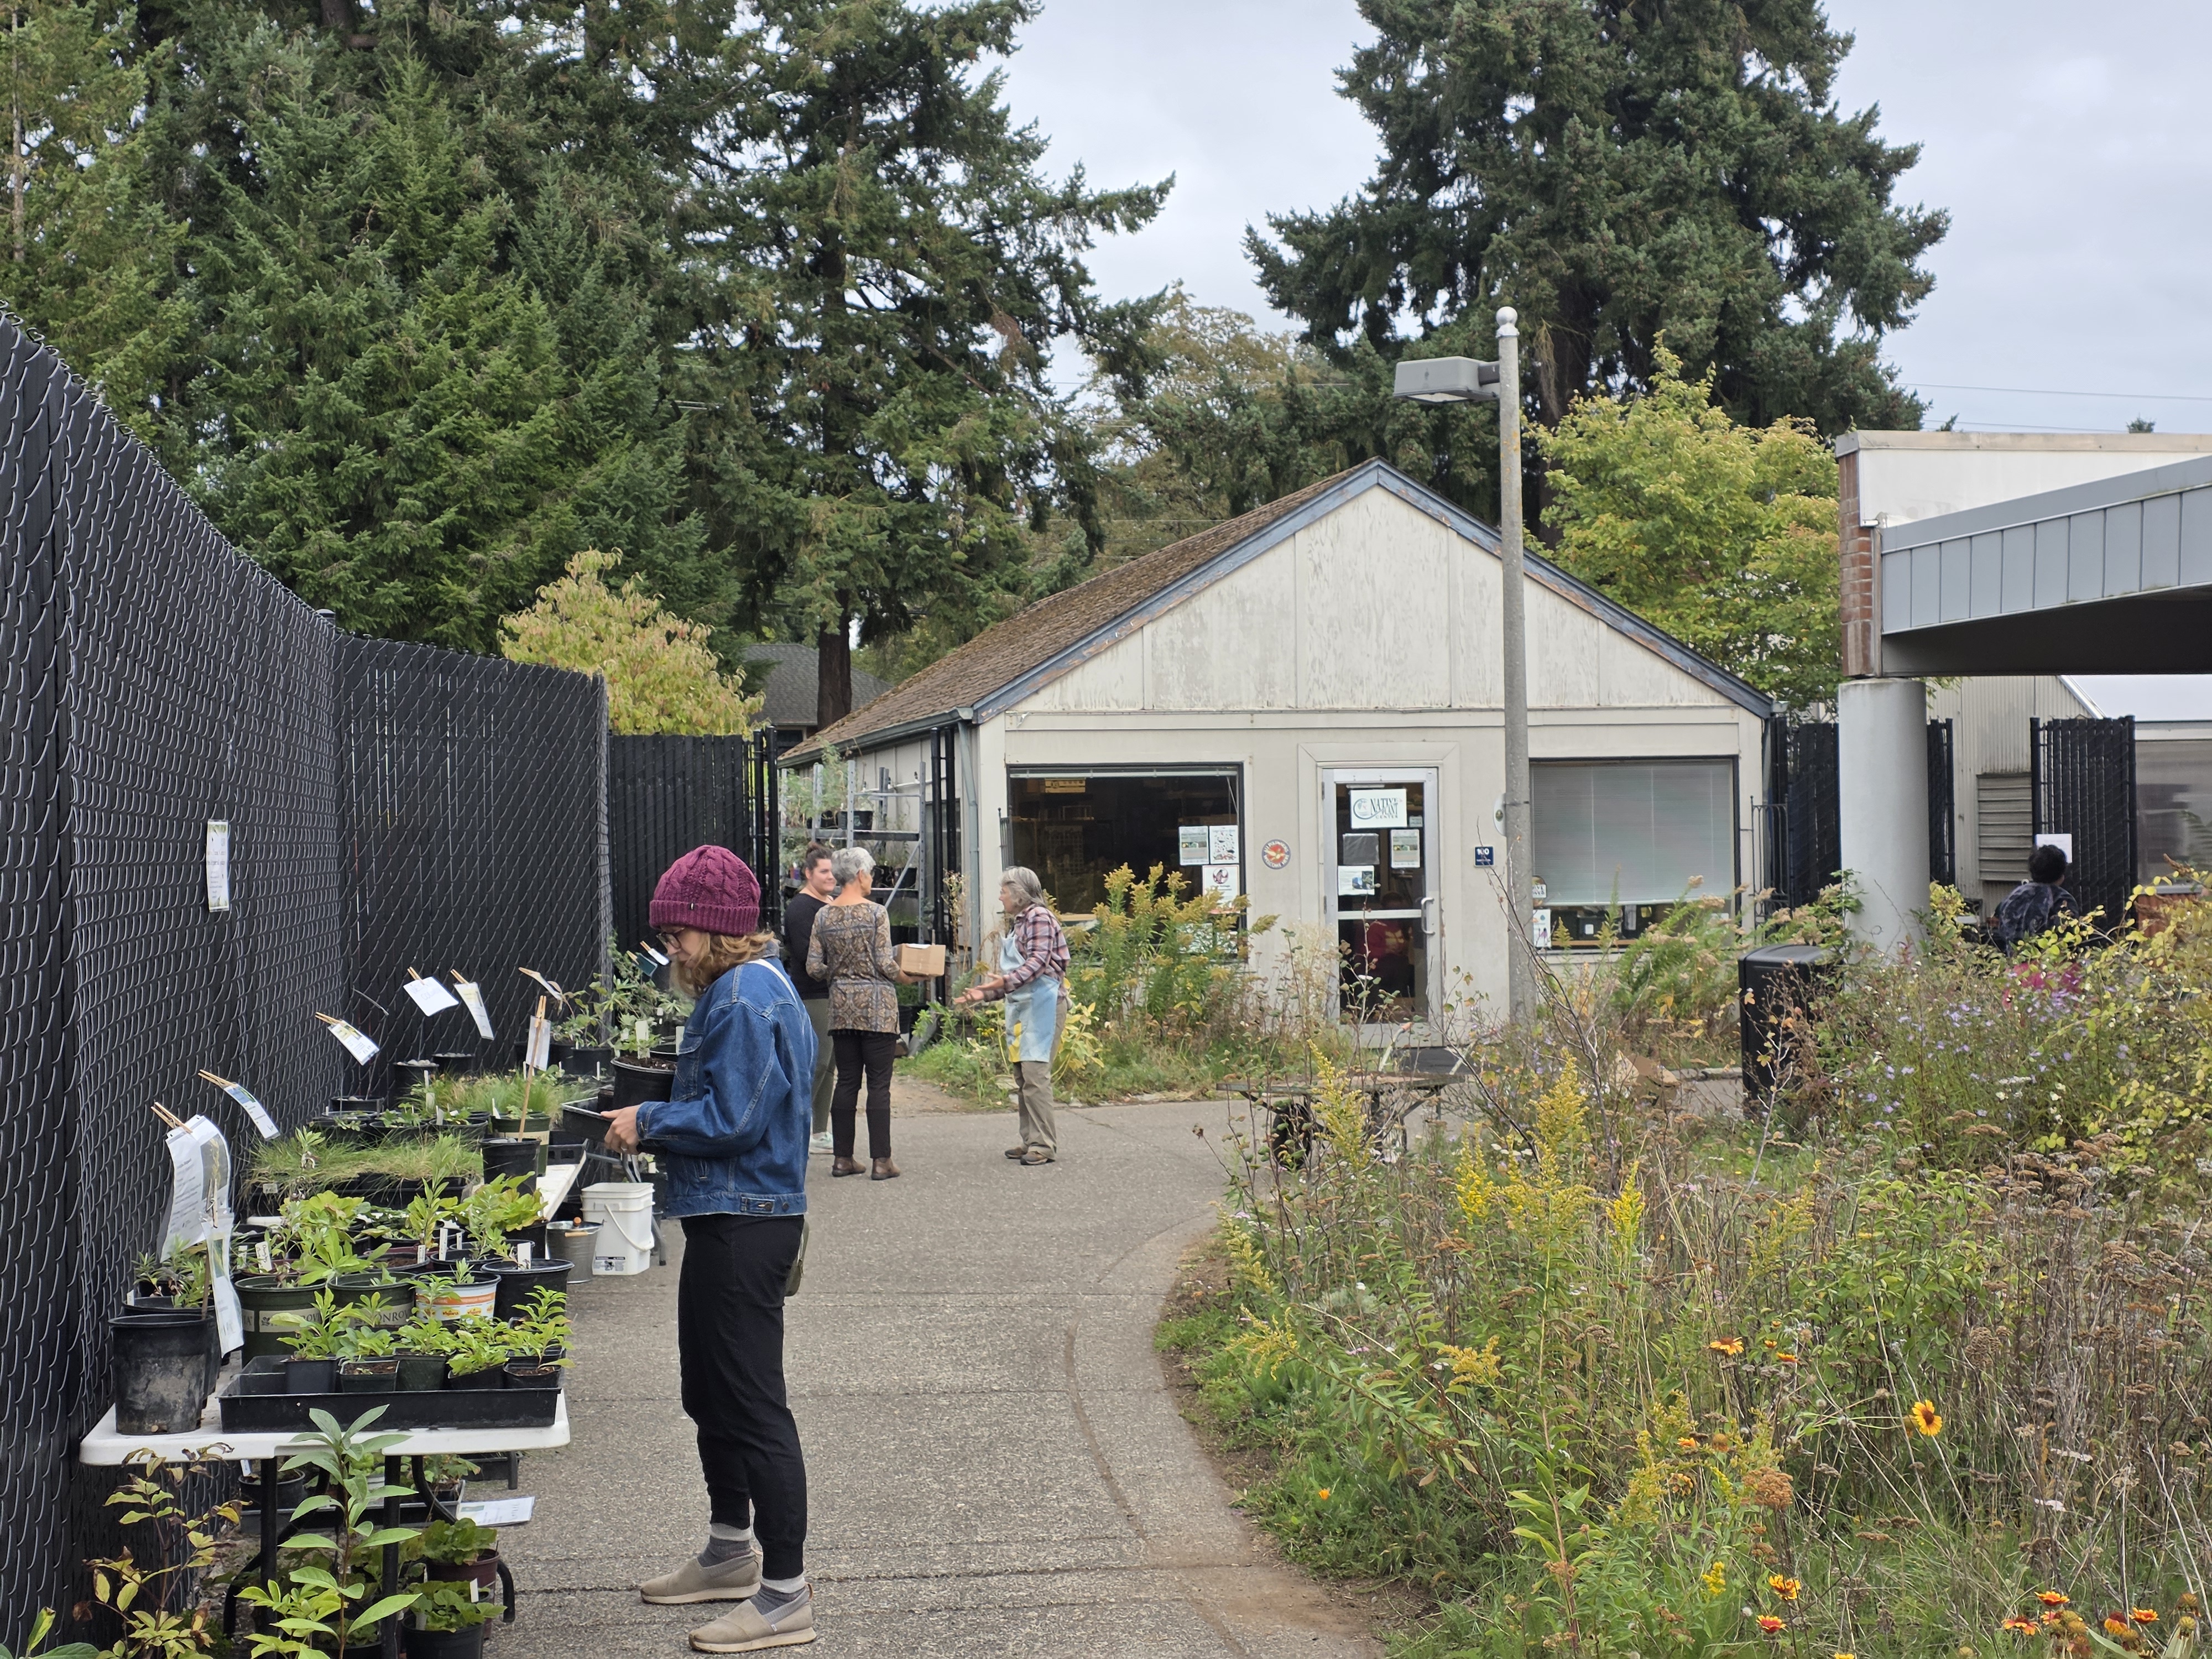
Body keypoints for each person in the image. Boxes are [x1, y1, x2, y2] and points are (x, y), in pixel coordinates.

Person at [601, 844, 819, 1653]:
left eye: (681, 934)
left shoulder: (739, 998)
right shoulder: (750, 988)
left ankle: (785, 1596)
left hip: (746, 1223)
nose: (674, 951)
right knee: (712, 1393)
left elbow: (734, 1119)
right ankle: (732, 1551)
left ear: (718, 931)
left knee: (754, 1406)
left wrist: (647, 1122)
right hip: (734, 1217)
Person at [955, 867, 1070, 1167]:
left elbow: (1037, 963)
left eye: (1004, 891)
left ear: (1019, 894)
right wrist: (985, 993)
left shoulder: (1039, 917)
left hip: (1045, 1006)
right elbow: (1014, 976)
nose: (1000, 897)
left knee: (1035, 1075)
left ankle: (1044, 1145)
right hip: (1024, 1006)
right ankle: (1030, 1139)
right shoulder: (1018, 923)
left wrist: (1002, 983)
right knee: (1022, 1077)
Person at [805, 846, 907, 1181]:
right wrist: (908, 975)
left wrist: (839, 974)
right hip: (878, 1010)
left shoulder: (824, 915)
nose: (872, 879)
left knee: (847, 1081)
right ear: (861, 874)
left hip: (841, 1009)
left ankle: (843, 1159)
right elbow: (884, 962)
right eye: (872, 873)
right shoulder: (876, 913)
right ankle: (881, 1161)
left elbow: (813, 967)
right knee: (879, 1084)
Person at [779, 844, 840, 1154]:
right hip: (813, 994)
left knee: (828, 1066)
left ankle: (818, 1131)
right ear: (808, 873)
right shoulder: (802, 909)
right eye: (824, 871)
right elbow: (806, 957)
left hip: (832, 992)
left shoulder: (829, 903)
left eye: (832, 871)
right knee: (816, 1064)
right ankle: (791, 1128)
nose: (830, 877)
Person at [1991, 842, 2080, 952]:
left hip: (2013, 961)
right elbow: (2070, 941)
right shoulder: (2062, 900)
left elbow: (1999, 931)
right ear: (2062, 873)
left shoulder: (2014, 896)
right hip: (2050, 964)